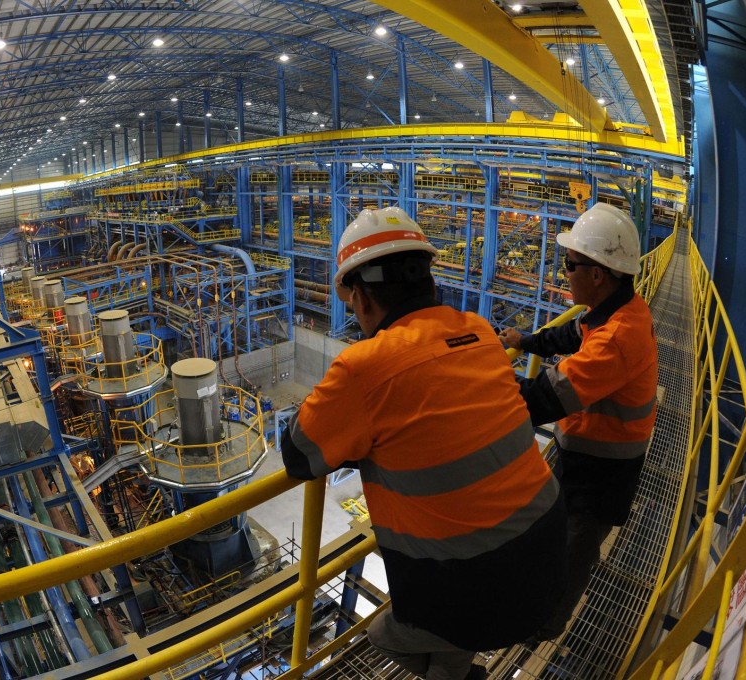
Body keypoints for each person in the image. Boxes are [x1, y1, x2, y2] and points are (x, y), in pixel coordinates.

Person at [281, 206, 567, 680]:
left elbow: (298, 455)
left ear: (363, 299)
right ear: (428, 283)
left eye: (351, 302)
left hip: (470, 588)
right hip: (549, 556)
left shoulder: (363, 367)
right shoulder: (478, 330)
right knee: (452, 645)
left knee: (383, 634)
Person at [499, 202, 658, 639]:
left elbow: (542, 399)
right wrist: (527, 341)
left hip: (599, 480)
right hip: (587, 461)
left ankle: (538, 634)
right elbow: (572, 333)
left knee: (570, 560)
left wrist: (470, 387)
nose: (563, 272)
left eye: (570, 265)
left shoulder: (616, 341)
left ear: (597, 275)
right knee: (558, 542)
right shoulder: (619, 310)